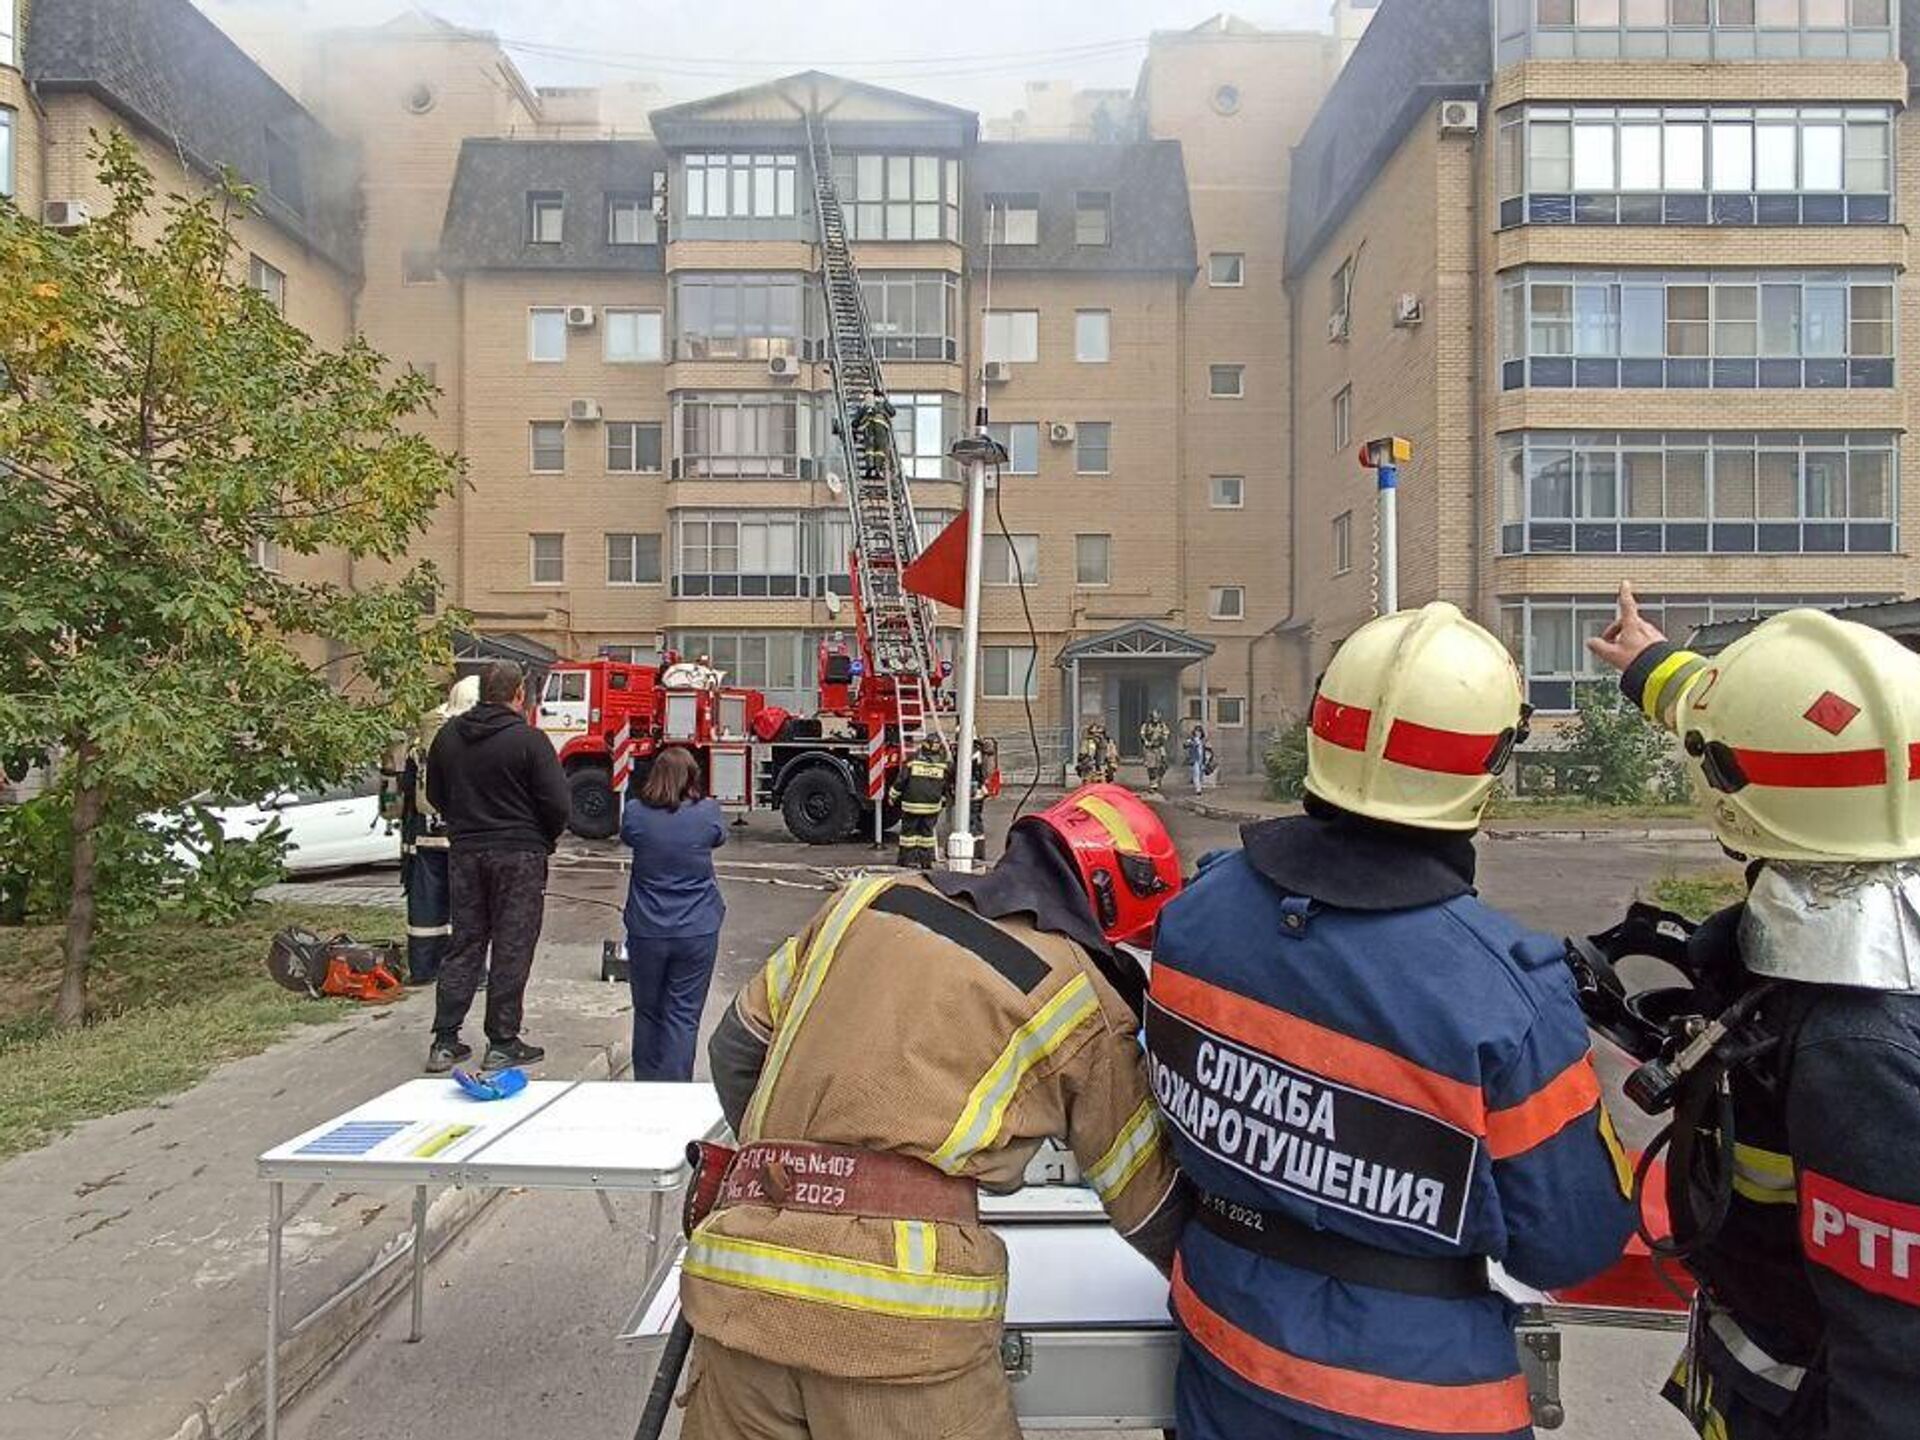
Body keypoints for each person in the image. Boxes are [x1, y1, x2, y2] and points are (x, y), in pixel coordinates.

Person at [1147, 601, 1635, 1440]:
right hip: (1416, 1399)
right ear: (1487, 767)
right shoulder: (1506, 995)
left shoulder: (1196, 917)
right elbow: (1569, 1245)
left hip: (1224, 1346)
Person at [682, 784, 1191, 1440]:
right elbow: (1148, 1201)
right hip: (900, 1336)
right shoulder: (1078, 996)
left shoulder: (861, 904)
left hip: (740, 1295)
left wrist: (794, 1173)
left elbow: (735, 1048)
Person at [1585, 583, 1920, 1440]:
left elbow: (1894, 1365)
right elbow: (1763, 730)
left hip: (1800, 1405)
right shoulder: (1871, 807)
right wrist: (1654, 667)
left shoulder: (1860, 1048)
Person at [424, 660, 570, 1074]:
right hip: (520, 854)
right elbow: (558, 803)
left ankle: (445, 1039)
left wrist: (465, 822)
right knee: (512, 943)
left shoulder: (449, 737)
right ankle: (503, 1042)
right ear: (518, 694)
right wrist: (542, 836)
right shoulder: (529, 741)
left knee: (465, 941)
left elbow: (435, 793)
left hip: (466, 851)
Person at [620, 746, 728, 1082]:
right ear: (692, 777)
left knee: (648, 1012)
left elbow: (627, 836)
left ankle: (646, 1087)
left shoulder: (636, 813)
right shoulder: (707, 812)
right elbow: (718, 837)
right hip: (697, 928)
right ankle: (674, 1090)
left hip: (647, 929)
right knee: (683, 1014)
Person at [387, 675, 479, 988]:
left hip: (421, 837)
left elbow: (403, 792)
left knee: (425, 908)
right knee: (467, 906)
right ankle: (470, 973)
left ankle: (424, 968)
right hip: (463, 837)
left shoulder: (422, 741)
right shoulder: (474, 740)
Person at [888, 734, 949, 870]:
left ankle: (906, 861)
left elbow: (901, 781)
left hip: (912, 805)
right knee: (927, 835)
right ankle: (926, 862)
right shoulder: (943, 763)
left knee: (908, 834)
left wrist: (892, 796)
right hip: (931, 807)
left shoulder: (912, 760)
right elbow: (946, 785)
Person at [1140, 710, 1172, 793]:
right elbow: (1142, 735)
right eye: (1154, 717)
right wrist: (1146, 741)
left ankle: (1159, 778)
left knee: (1164, 764)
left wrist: (1162, 738)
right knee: (1151, 767)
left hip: (1159, 747)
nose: (1155, 719)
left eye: (1157, 717)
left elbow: (1166, 734)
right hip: (1149, 749)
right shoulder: (1146, 725)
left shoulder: (1162, 725)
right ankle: (1152, 784)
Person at [1185, 723, 1209, 795]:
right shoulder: (1192, 740)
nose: (1198, 733)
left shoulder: (1203, 741)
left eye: (1199, 732)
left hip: (1202, 759)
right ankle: (1198, 790)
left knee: (1201, 775)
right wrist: (1190, 743)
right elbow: (1186, 745)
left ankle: (1199, 786)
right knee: (1196, 773)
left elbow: (1207, 749)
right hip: (1195, 759)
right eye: (1196, 731)